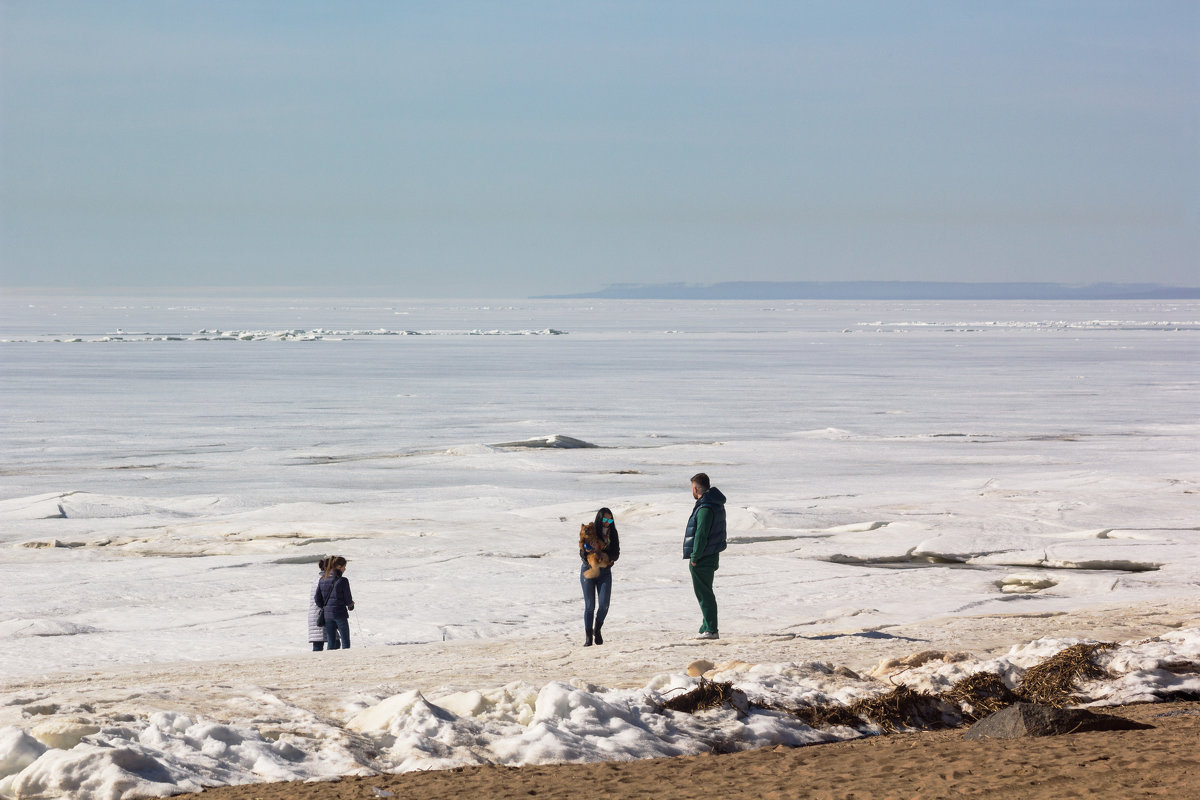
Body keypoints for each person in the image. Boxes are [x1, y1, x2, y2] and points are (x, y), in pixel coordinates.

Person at [683, 473, 726, 640]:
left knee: (704, 593)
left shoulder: (706, 508)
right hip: (711, 555)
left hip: (703, 557)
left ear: (695, 488)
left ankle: (711, 629)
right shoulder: (714, 504)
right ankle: (706, 626)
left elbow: (701, 535)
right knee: (704, 592)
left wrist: (695, 556)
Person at [580, 507, 620, 647]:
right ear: (599, 519)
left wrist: (605, 555)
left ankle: (597, 629)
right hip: (589, 568)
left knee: (604, 605)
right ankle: (588, 637)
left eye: (610, 519)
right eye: (605, 519)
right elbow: (582, 551)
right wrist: (588, 553)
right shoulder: (592, 530)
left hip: (605, 571)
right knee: (590, 605)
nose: (607, 522)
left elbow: (616, 553)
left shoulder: (613, 534)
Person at [314, 555, 355, 650]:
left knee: (331, 641)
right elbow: (348, 599)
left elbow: (317, 599)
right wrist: (351, 605)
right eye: (344, 567)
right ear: (339, 567)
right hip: (340, 613)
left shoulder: (322, 579)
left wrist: (326, 607)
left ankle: (330, 659)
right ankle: (346, 658)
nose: (345, 569)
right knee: (345, 640)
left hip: (328, 615)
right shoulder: (343, 580)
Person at [307, 557, 330, 651]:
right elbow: (319, 599)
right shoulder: (322, 580)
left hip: (316, 614)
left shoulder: (318, 579)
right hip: (320, 614)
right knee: (333, 642)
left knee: (318, 643)